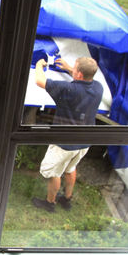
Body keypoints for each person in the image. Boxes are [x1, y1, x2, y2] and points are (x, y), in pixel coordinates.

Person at [31, 55, 103, 212]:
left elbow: (39, 81)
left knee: (54, 172)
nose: (73, 68)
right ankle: (67, 199)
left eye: (75, 68)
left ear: (79, 74)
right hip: (84, 142)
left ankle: (50, 203)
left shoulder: (69, 89)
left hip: (64, 142)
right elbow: (84, 80)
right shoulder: (98, 88)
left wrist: (38, 65)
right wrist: (69, 68)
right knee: (71, 168)